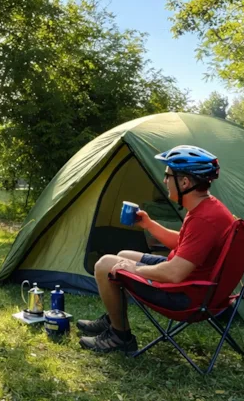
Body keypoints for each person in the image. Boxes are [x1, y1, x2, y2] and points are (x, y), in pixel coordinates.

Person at [78, 145, 235, 353]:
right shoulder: (208, 207)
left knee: (104, 264)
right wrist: (149, 224)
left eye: (167, 175)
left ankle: (120, 336)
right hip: (196, 282)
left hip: (185, 295)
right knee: (123, 255)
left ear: (185, 182)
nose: (164, 181)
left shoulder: (204, 219)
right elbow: (185, 243)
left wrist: (135, 270)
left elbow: (174, 273)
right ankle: (113, 319)